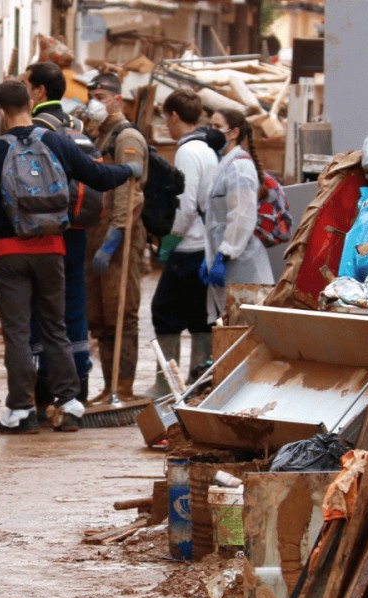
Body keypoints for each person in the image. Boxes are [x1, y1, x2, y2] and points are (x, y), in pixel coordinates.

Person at [0, 79, 136, 435]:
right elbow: (99, 176)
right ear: (31, 103)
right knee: (55, 327)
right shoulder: (57, 142)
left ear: (1, 111)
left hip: (8, 254)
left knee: (17, 333)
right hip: (52, 249)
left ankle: (21, 411)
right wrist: (129, 171)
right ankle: (69, 403)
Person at [25, 61, 97, 405]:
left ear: (39, 91)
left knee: (43, 309)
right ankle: (78, 386)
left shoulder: (37, 130)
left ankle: (44, 389)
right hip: (79, 229)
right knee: (74, 306)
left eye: (28, 86)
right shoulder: (78, 126)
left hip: (45, 232)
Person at [147, 89, 223, 396]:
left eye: (167, 118)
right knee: (199, 315)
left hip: (189, 245)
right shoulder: (207, 149)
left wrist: (168, 242)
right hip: (204, 245)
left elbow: (186, 204)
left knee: (163, 310)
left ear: (175, 116)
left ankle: (168, 383)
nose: (168, 124)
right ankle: (199, 381)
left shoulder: (188, 152)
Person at [84, 71, 148, 403]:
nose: (95, 102)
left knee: (122, 311)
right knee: (100, 315)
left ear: (117, 99)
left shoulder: (126, 138)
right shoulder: (99, 135)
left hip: (120, 237)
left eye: (101, 97)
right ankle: (108, 384)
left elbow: (129, 193)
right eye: (91, 96)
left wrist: (114, 237)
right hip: (96, 234)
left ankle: (123, 385)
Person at [202, 108, 273, 325]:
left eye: (216, 126)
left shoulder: (240, 167)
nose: (211, 131)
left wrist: (223, 255)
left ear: (233, 133)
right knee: (231, 326)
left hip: (242, 264)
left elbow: (242, 216)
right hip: (228, 261)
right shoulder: (225, 164)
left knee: (245, 330)